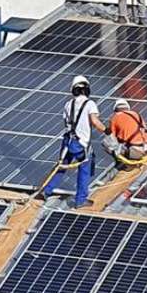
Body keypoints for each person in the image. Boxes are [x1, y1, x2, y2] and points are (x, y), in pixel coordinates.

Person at [43, 75, 106, 207]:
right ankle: (81, 200)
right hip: (81, 143)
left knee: (61, 166)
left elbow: (66, 122)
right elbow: (95, 121)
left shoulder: (68, 104)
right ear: (87, 89)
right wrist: (107, 131)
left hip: (67, 141)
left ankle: (47, 190)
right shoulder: (90, 104)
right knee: (84, 169)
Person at [103, 99, 147, 167]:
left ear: (115, 109)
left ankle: (121, 162)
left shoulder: (115, 117)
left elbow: (112, 137)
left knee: (106, 142)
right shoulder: (136, 114)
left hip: (134, 151)